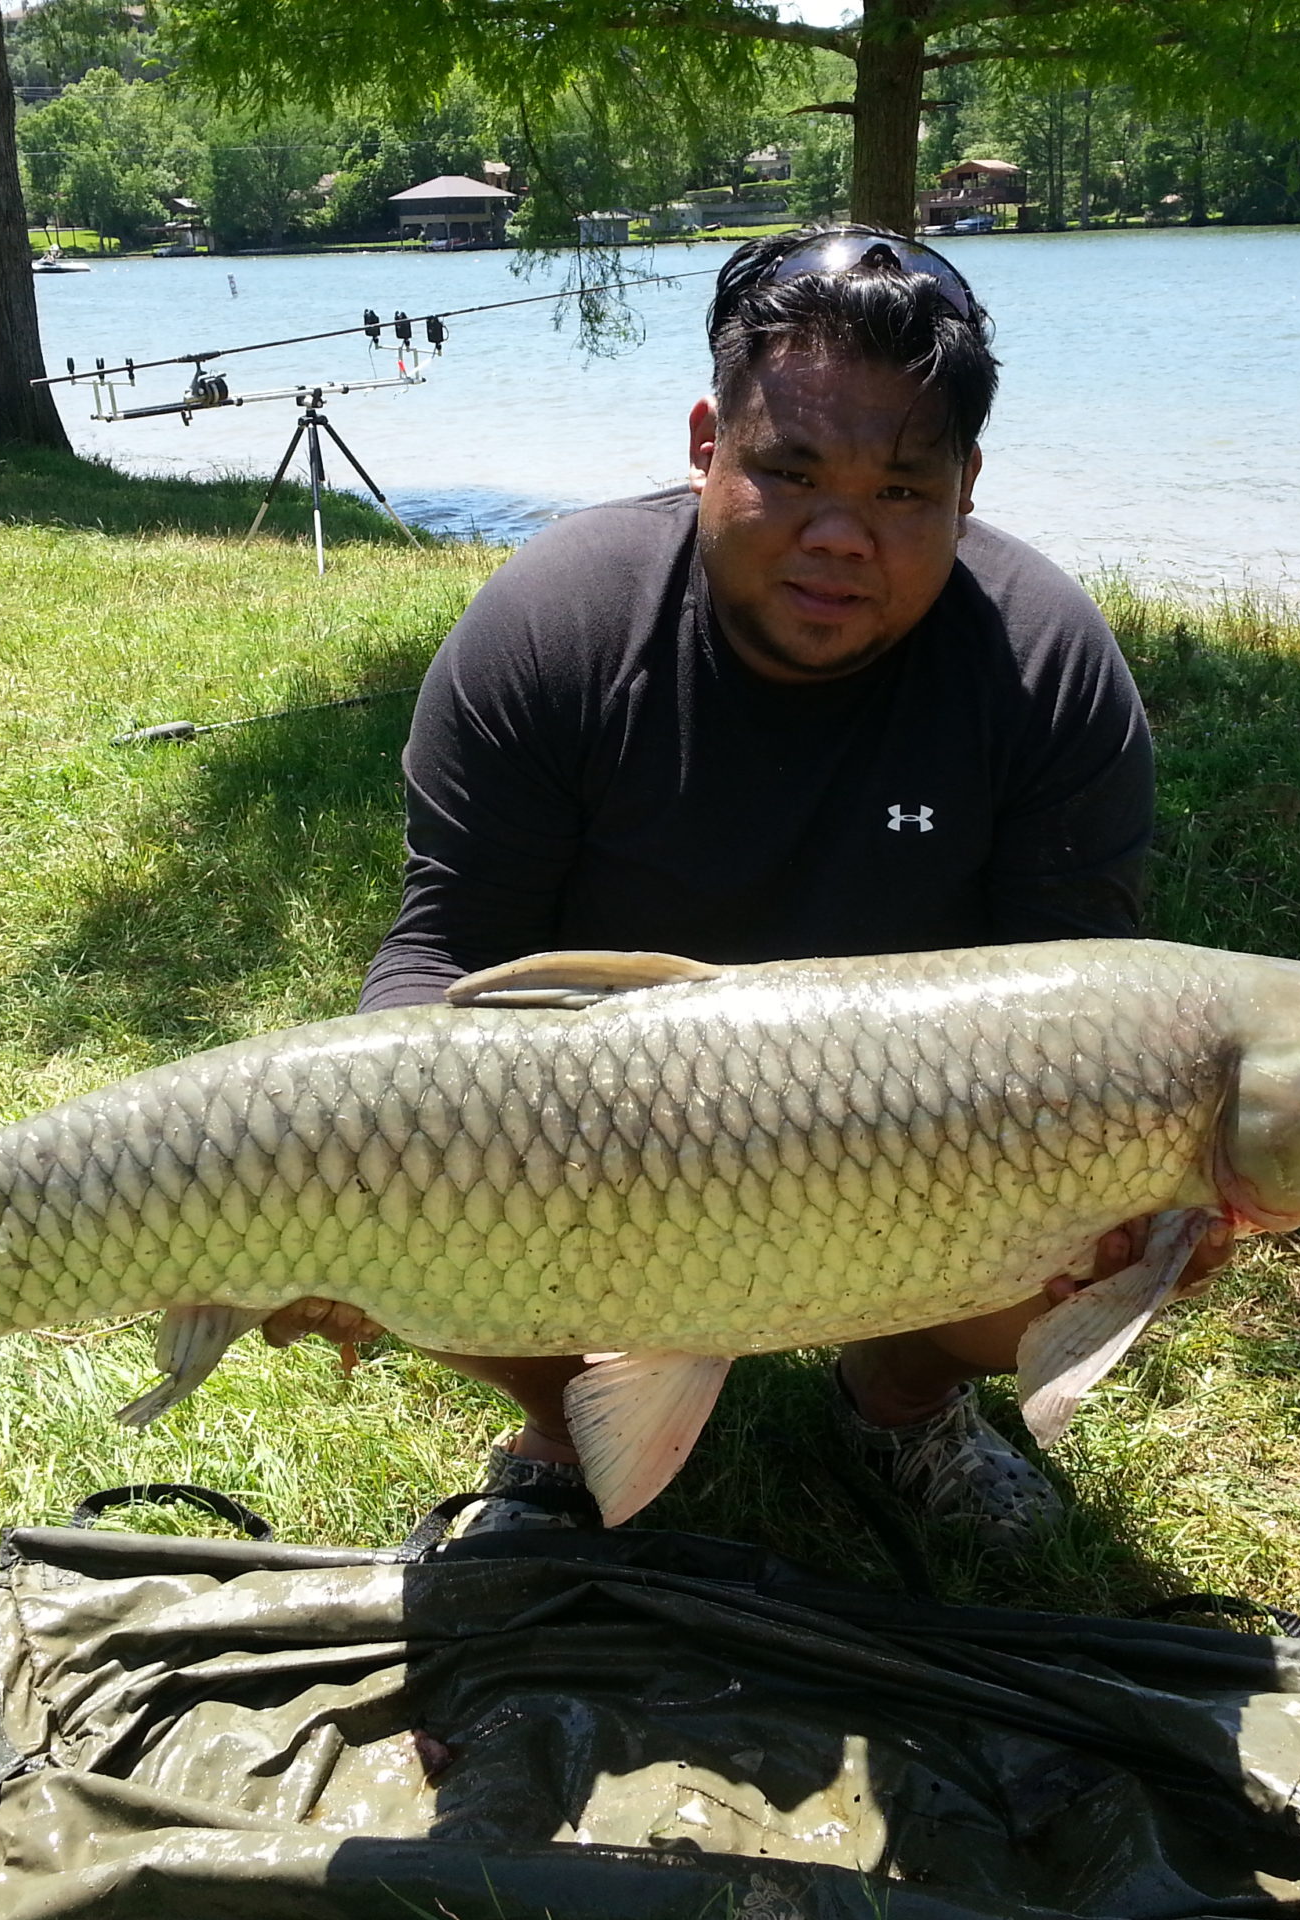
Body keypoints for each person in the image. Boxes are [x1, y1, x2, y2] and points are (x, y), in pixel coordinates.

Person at [277, 226, 1231, 1545]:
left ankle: (896, 1398)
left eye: (903, 492)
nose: (842, 537)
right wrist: (342, 1198)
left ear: (969, 486)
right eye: (789, 471)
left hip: (921, 1161)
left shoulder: (1044, 665)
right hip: (588, 1148)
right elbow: (441, 954)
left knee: (1129, 1195)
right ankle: (565, 1424)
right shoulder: (555, 623)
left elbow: (1089, 1017)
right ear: (705, 444)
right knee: (385, 1188)